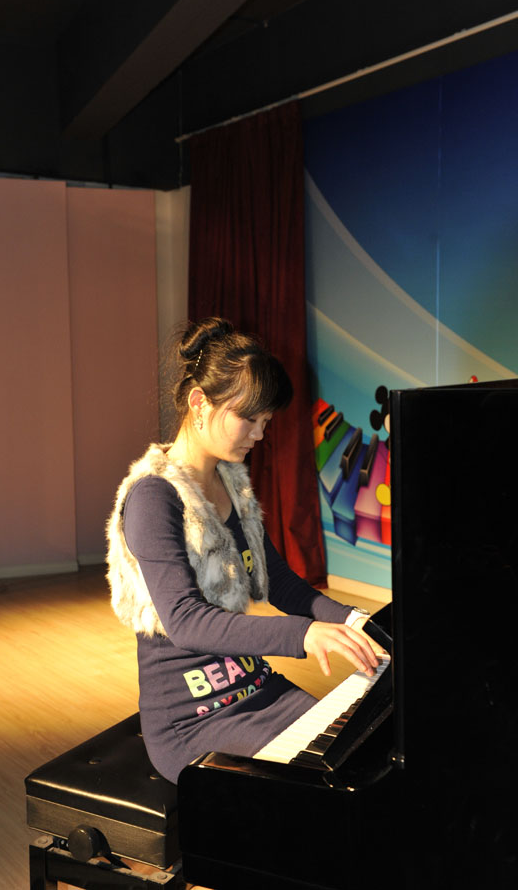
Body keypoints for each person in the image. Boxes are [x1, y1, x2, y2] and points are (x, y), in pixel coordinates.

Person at [106, 317, 379, 784]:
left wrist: (359, 623)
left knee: (359, 756)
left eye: (265, 421)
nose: (259, 434)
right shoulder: (154, 497)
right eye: (249, 419)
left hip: (256, 686)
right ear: (200, 404)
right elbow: (186, 621)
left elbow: (280, 582)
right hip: (193, 719)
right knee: (327, 786)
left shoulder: (231, 482)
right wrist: (304, 635)